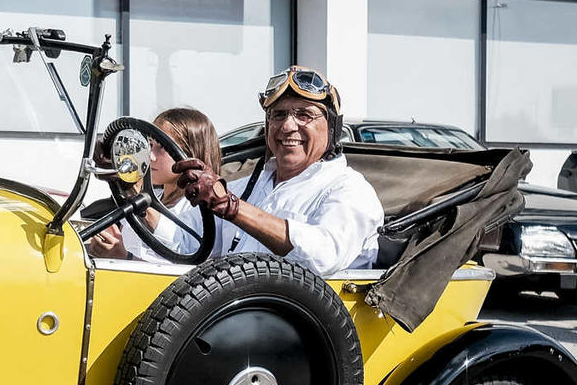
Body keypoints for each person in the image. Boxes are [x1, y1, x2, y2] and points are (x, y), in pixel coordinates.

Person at [175, 66, 383, 276]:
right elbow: (182, 241)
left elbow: (323, 258)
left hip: (302, 308)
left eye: (304, 115)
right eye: (279, 115)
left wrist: (232, 207)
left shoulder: (351, 190)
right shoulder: (249, 186)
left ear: (331, 128)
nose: (287, 126)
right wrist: (143, 201)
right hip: (238, 304)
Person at [84, 107, 219, 263]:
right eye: (150, 145)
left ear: (191, 154)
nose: (151, 156)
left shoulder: (203, 212)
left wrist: (123, 257)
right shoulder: (155, 196)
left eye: (162, 148)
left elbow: (185, 262)